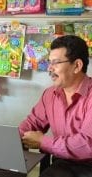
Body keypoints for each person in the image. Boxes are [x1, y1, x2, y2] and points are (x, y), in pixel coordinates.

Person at [19, 35, 92, 177]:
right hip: (63, 163)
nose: (49, 68)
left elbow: (88, 145)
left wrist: (43, 142)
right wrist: (11, 137)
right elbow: (33, 122)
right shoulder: (50, 94)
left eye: (56, 63)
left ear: (77, 66)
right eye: (49, 62)